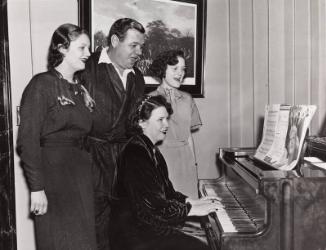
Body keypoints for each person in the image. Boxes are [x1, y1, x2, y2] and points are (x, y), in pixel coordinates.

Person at [17, 23, 96, 250]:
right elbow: (27, 141)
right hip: (53, 177)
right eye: (82, 48)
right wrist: (37, 188)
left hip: (80, 174)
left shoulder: (80, 89)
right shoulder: (41, 84)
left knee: (83, 242)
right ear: (62, 48)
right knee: (59, 240)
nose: (88, 54)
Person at [109, 95, 222, 250]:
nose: (166, 124)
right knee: (202, 247)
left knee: (204, 242)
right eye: (160, 119)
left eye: (167, 119)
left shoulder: (151, 149)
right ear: (141, 123)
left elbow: (168, 193)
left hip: (146, 227)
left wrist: (194, 202)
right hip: (133, 235)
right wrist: (192, 210)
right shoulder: (135, 153)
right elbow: (151, 207)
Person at [80, 18, 146, 250]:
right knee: (93, 226)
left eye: (141, 47)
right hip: (90, 160)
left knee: (122, 225)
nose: (139, 52)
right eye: (134, 45)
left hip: (123, 160)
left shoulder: (137, 77)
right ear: (115, 41)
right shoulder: (86, 67)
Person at [148, 50, 202, 198]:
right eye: (175, 69)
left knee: (189, 210)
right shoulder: (150, 99)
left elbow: (189, 136)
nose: (180, 73)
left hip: (186, 163)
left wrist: (194, 166)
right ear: (162, 70)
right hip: (161, 162)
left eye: (183, 69)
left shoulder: (187, 99)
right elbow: (146, 140)